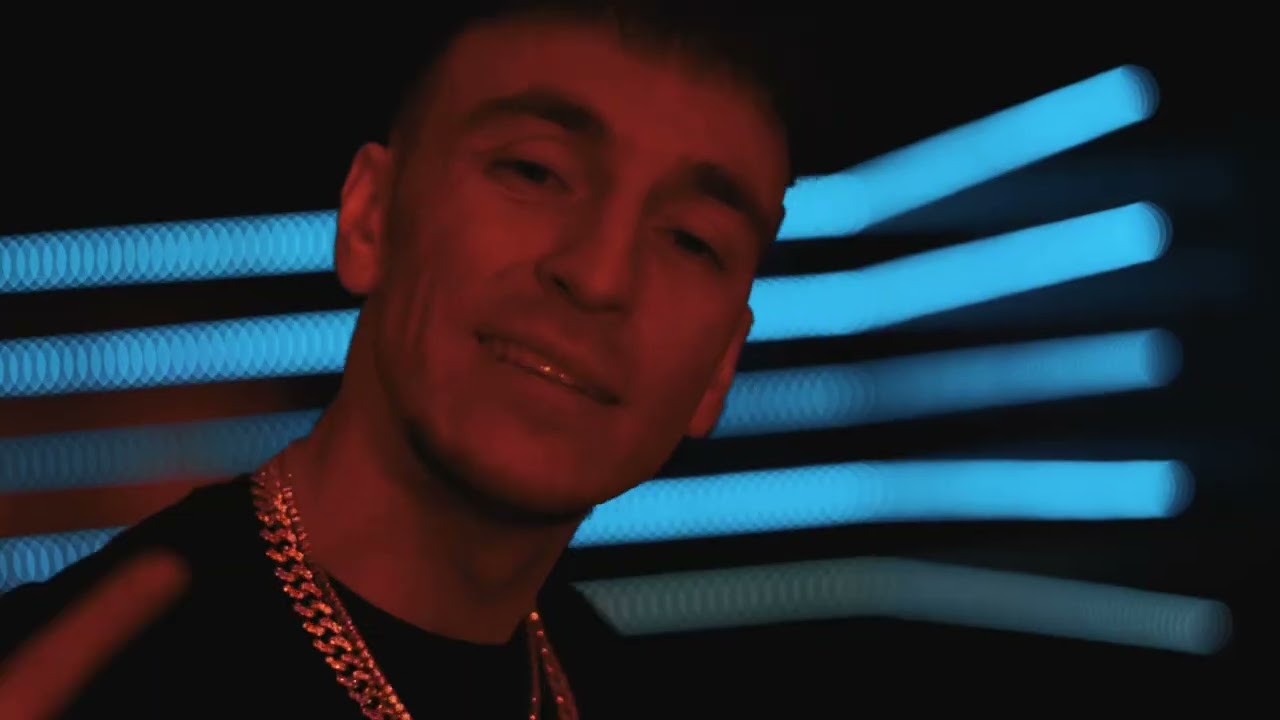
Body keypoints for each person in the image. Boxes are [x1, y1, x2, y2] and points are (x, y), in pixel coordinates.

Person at [0, 2, 795, 717]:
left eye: (692, 240)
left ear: (721, 364)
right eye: (535, 171)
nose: (599, 276)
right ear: (370, 218)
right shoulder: (88, 673)